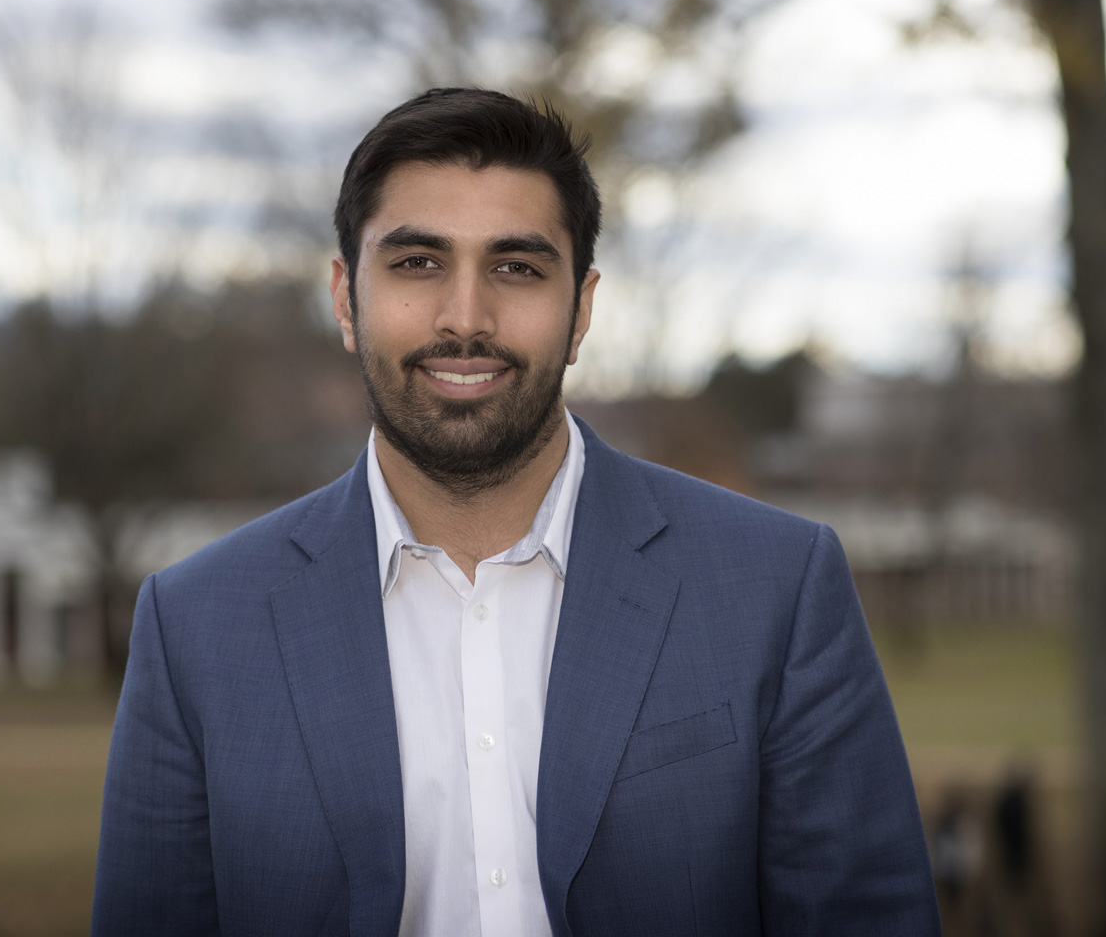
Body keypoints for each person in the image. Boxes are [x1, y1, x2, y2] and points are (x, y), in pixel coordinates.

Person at [92, 88, 940, 937]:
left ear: (582, 311)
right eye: (418, 262)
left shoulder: (776, 590)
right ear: (347, 300)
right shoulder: (197, 626)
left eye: (517, 267)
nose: (466, 318)